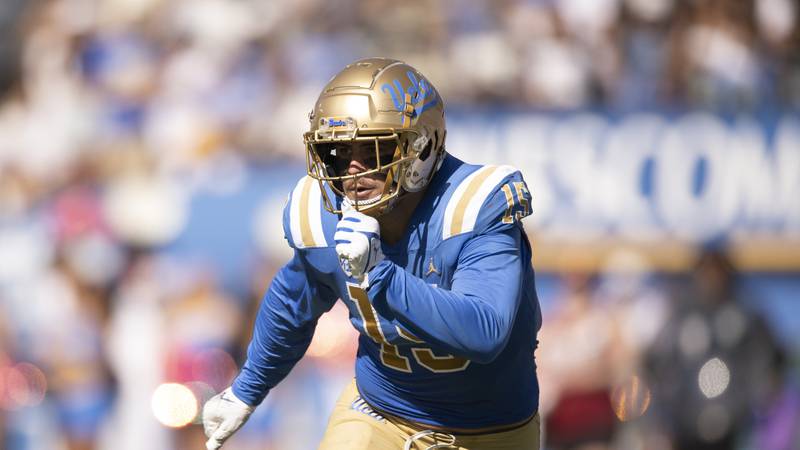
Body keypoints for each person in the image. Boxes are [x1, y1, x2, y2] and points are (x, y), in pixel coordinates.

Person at [201, 57, 543, 450]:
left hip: (492, 431)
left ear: (423, 146)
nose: (352, 169)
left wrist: (379, 273)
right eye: (339, 152)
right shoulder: (323, 212)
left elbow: (485, 332)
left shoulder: (475, 205)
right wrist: (247, 389)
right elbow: (292, 303)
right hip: (378, 413)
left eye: (373, 149)